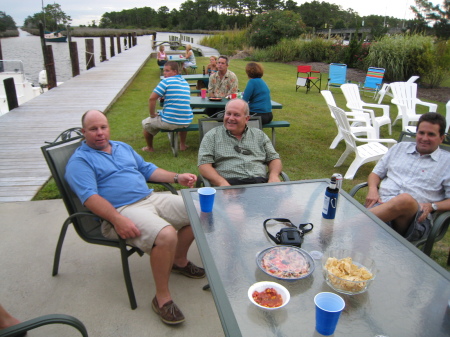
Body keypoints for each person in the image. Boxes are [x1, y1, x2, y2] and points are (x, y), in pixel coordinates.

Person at [65, 110, 204, 325]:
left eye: (103, 127)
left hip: (150, 197)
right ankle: (162, 298)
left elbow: (147, 170)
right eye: (93, 129)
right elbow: (90, 198)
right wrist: (117, 220)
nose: (100, 133)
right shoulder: (80, 162)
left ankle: (178, 260)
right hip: (121, 210)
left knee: (199, 211)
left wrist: (177, 177)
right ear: (84, 132)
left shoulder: (122, 147)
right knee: (166, 235)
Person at [365, 112, 450, 241]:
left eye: (431, 134)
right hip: (380, 207)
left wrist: (432, 206)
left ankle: (339, 226)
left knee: (405, 200)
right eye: (421, 133)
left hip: (414, 221)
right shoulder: (399, 148)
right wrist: (372, 189)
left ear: (441, 138)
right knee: (367, 230)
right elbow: (375, 173)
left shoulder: (447, 162)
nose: (424, 138)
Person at [198, 99, 282, 186]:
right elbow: (204, 165)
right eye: (228, 114)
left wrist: (274, 176)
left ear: (246, 119)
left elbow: (274, 158)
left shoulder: (259, 135)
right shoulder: (212, 136)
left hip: (259, 183)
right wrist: (221, 183)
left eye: (236, 115)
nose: (231, 118)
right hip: (229, 183)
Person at [142, 61, 193, 152]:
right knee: (180, 115)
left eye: (167, 71)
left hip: (170, 121)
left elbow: (152, 99)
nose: (164, 73)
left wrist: (152, 114)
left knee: (146, 124)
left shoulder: (166, 81)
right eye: (164, 71)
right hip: (186, 120)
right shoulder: (185, 82)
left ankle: (149, 148)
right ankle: (182, 145)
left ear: (175, 72)